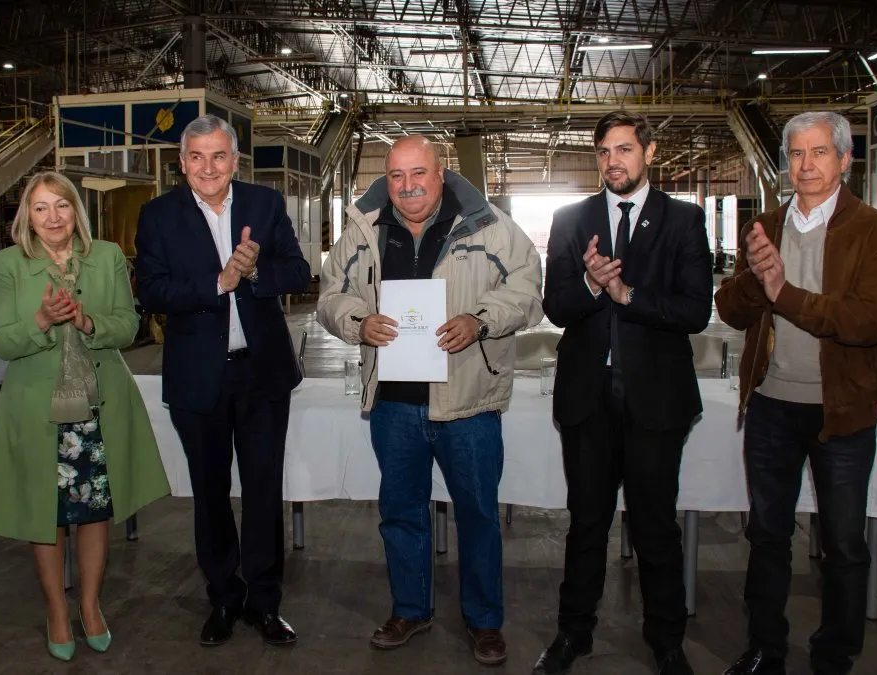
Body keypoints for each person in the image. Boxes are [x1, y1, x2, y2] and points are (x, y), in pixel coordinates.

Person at [317, 136, 544, 666]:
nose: (408, 186)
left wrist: (479, 320)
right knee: (400, 513)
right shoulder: (364, 230)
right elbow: (331, 295)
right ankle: (410, 609)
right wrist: (358, 322)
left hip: (468, 402)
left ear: (441, 174)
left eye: (418, 173)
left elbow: (528, 290)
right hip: (394, 405)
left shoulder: (489, 226)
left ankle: (484, 621)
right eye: (396, 176)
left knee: (478, 516)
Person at [715, 112, 877, 675]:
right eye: (796, 154)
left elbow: (866, 322)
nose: (806, 165)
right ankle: (764, 649)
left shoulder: (874, 231)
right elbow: (731, 309)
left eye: (819, 152)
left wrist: (783, 291)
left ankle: (835, 655)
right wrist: (756, 281)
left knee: (842, 544)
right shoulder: (766, 226)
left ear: (844, 159)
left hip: (841, 411)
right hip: (771, 406)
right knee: (767, 535)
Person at [534, 110, 712, 675]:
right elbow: (556, 307)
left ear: (649, 153)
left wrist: (627, 294)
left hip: (656, 399)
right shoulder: (571, 219)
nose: (613, 161)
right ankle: (573, 634)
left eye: (625, 149)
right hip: (588, 399)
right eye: (605, 151)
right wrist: (591, 283)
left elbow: (695, 310)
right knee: (587, 521)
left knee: (655, 525)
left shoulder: (683, 220)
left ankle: (666, 641)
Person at [134, 114, 310, 647]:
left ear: (235, 160)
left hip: (261, 374)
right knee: (209, 494)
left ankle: (265, 601)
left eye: (218, 156)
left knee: (263, 490)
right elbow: (152, 290)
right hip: (197, 378)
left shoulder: (265, 204)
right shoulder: (158, 215)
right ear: (182, 162)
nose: (207, 167)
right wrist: (220, 281)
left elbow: (298, 272)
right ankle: (224, 597)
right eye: (196, 157)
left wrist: (253, 272)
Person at [0, 171, 171, 662]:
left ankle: (89, 606)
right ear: (27, 217)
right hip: (37, 409)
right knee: (44, 514)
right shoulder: (6, 265)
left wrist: (88, 321)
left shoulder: (106, 257)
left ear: (76, 212)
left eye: (62, 205)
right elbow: (1, 340)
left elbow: (128, 325)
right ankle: (56, 611)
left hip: (96, 406)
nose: (53, 217)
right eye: (41, 208)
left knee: (93, 509)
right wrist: (42, 321)